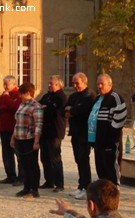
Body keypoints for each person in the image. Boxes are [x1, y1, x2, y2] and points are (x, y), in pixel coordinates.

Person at [87, 74, 127, 186]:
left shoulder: (115, 98)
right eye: (98, 84)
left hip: (110, 143)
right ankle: (104, 195)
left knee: (111, 171)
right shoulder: (97, 99)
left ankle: (114, 195)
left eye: (102, 84)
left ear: (110, 84)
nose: (99, 86)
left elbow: (120, 119)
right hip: (97, 143)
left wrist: (111, 139)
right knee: (101, 171)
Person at [65, 72, 95, 200]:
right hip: (75, 131)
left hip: (85, 132)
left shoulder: (90, 95)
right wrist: (72, 110)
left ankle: (86, 187)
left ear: (84, 82)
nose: (75, 85)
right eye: (73, 83)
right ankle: (81, 185)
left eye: (77, 83)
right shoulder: (73, 96)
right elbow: (64, 110)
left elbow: (84, 110)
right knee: (78, 159)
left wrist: (72, 110)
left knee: (83, 158)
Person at [10, 83, 43, 198]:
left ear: (29, 93)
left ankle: (34, 189)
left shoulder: (36, 106)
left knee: (32, 164)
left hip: (30, 138)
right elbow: (17, 122)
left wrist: (36, 141)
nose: (20, 96)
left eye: (22, 93)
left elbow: (38, 125)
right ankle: (26, 187)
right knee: (23, 164)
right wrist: (13, 138)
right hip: (19, 137)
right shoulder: (22, 105)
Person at [38, 75, 67, 192]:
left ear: (58, 85)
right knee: (44, 157)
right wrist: (44, 107)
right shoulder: (46, 96)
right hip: (44, 131)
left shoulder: (61, 97)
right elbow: (38, 106)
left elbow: (52, 111)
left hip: (55, 131)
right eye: (49, 83)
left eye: (51, 83)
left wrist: (45, 108)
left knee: (55, 158)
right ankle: (49, 181)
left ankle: (59, 183)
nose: (49, 85)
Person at [0, 75, 23, 185]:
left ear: (14, 84)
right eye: (4, 84)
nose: (5, 86)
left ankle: (22, 177)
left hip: (14, 129)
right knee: (6, 154)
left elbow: (15, 108)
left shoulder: (18, 95)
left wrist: (6, 99)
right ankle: (10, 176)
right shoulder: (3, 95)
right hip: (4, 128)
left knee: (18, 153)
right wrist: (5, 104)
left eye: (6, 84)